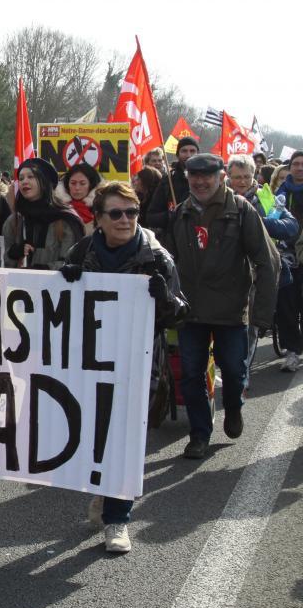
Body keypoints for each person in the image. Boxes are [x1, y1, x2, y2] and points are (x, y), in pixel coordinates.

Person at [61, 181, 188, 553]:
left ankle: (118, 520)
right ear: (98, 219)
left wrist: (164, 299)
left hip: (138, 363)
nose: (125, 220)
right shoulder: (81, 252)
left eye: (131, 212)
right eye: (115, 213)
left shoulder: (157, 257)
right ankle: (104, 489)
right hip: (90, 361)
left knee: (126, 439)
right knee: (94, 436)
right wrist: (64, 281)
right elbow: (59, 311)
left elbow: (180, 313)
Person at [168, 154, 276, 459]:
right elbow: (169, 262)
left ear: (221, 177)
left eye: (208, 176)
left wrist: (263, 313)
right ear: (187, 177)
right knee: (191, 374)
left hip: (231, 310)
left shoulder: (242, 211)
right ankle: (199, 434)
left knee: (233, 370)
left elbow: (266, 262)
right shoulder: (181, 213)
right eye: (194, 176)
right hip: (190, 310)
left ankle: (233, 407)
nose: (200, 182)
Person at [228, 154, 299, 376]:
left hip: (258, 273)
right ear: (228, 177)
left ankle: (242, 375)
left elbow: (290, 226)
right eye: (237, 177)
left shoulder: (265, 197)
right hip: (224, 273)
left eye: (246, 177)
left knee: (249, 327)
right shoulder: (219, 197)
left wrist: (257, 223)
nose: (241, 181)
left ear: (254, 176)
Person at [3, 158, 83, 269]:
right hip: (19, 285)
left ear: (44, 181)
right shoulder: (15, 221)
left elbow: (72, 262)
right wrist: (13, 253)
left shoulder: (66, 220)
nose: (24, 181)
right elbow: (4, 264)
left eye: (31, 177)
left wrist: (44, 270)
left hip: (55, 285)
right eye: (21, 178)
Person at [273, 151, 303, 371]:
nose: (300, 168)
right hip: (286, 256)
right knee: (286, 305)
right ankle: (292, 351)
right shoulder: (279, 193)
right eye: (296, 164)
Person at [143, 137, 198, 237]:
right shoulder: (168, 180)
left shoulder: (207, 180)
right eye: (184, 151)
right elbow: (151, 217)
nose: (189, 155)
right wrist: (173, 215)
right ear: (178, 154)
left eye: (192, 151)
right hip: (174, 239)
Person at [55, 162, 101, 235]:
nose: (77, 188)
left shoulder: (102, 210)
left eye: (82, 183)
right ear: (67, 184)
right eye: (73, 183)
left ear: (91, 185)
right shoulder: (56, 208)